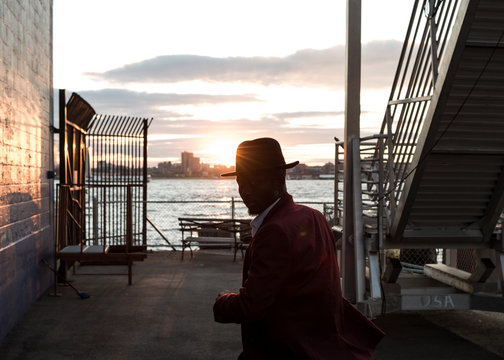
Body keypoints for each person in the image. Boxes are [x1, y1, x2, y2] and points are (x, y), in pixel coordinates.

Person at [213, 138, 384, 359]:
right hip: (324, 347)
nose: (245, 190)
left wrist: (222, 302)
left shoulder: (273, 231)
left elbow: (251, 306)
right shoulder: (315, 217)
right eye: (241, 181)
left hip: (284, 349)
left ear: (278, 179)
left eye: (254, 181)